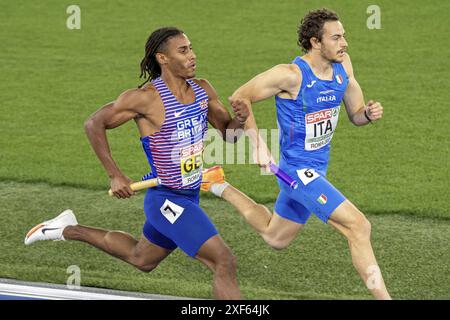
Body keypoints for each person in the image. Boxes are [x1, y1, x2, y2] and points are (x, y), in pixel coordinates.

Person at [24, 27, 250, 300]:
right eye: (183, 50)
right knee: (224, 262)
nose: (192, 55)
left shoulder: (203, 90)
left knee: (142, 258)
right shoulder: (145, 99)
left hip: (189, 194)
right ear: (162, 58)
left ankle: (64, 228)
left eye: (191, 48)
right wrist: (115, 175)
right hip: (167, 200)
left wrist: (240, 119)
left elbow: (229, 135)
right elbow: (94, 123)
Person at [205, 8, 392, 299]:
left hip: (318, 168)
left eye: (344, 36)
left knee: (275, 237)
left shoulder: (343, 67)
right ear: (316, 42)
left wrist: (367, 114)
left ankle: (219, 184)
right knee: (358, 227)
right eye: (337, 37)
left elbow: (355, 114)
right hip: (296, 171)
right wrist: (259, 145)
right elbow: (240, 96)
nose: (345, 43)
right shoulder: (291, 75)